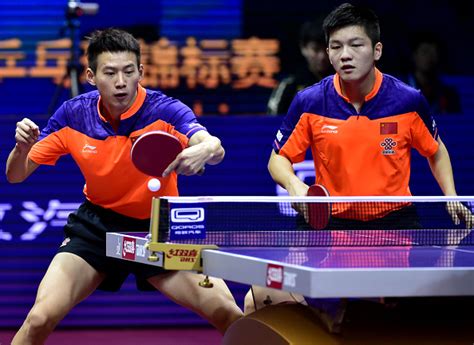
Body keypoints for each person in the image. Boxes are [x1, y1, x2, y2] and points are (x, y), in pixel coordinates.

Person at [6, 28, 243, 344]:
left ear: (141, 72)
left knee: (228, 313)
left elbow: (212, 146)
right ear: (91, 76)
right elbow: (16, 175)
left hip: (161, 229)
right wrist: (21, 149)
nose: (120, 82)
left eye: (129, 72)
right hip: (96, 228)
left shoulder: (165, 110)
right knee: (38, 319)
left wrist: (207, 147)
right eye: (110, 72)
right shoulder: (73, 115)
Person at [246, 3, 472, 314]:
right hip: (327, 222)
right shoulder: (310, 102)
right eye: (336, 47)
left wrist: (451, 195)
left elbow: (436, 150)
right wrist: (294, 184)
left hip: (394, 223)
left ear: (376, 50)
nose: (345, 55)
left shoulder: (407, 100)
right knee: (258, 296)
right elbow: (277, 159)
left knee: (412, 303)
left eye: (356, 45)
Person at [267, 18, 333, 115]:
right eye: (316, 50)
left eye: (327, 49)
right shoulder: (289, 85)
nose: (322, 56)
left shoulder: (347, 83)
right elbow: (272, 121)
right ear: (303, 48)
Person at [403, 32, 461, 114]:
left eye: (434, 53)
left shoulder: (449, 94)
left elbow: (456, 123)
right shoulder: (398, 90)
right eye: (425, 52)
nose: (429, 57)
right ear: (414, 55)